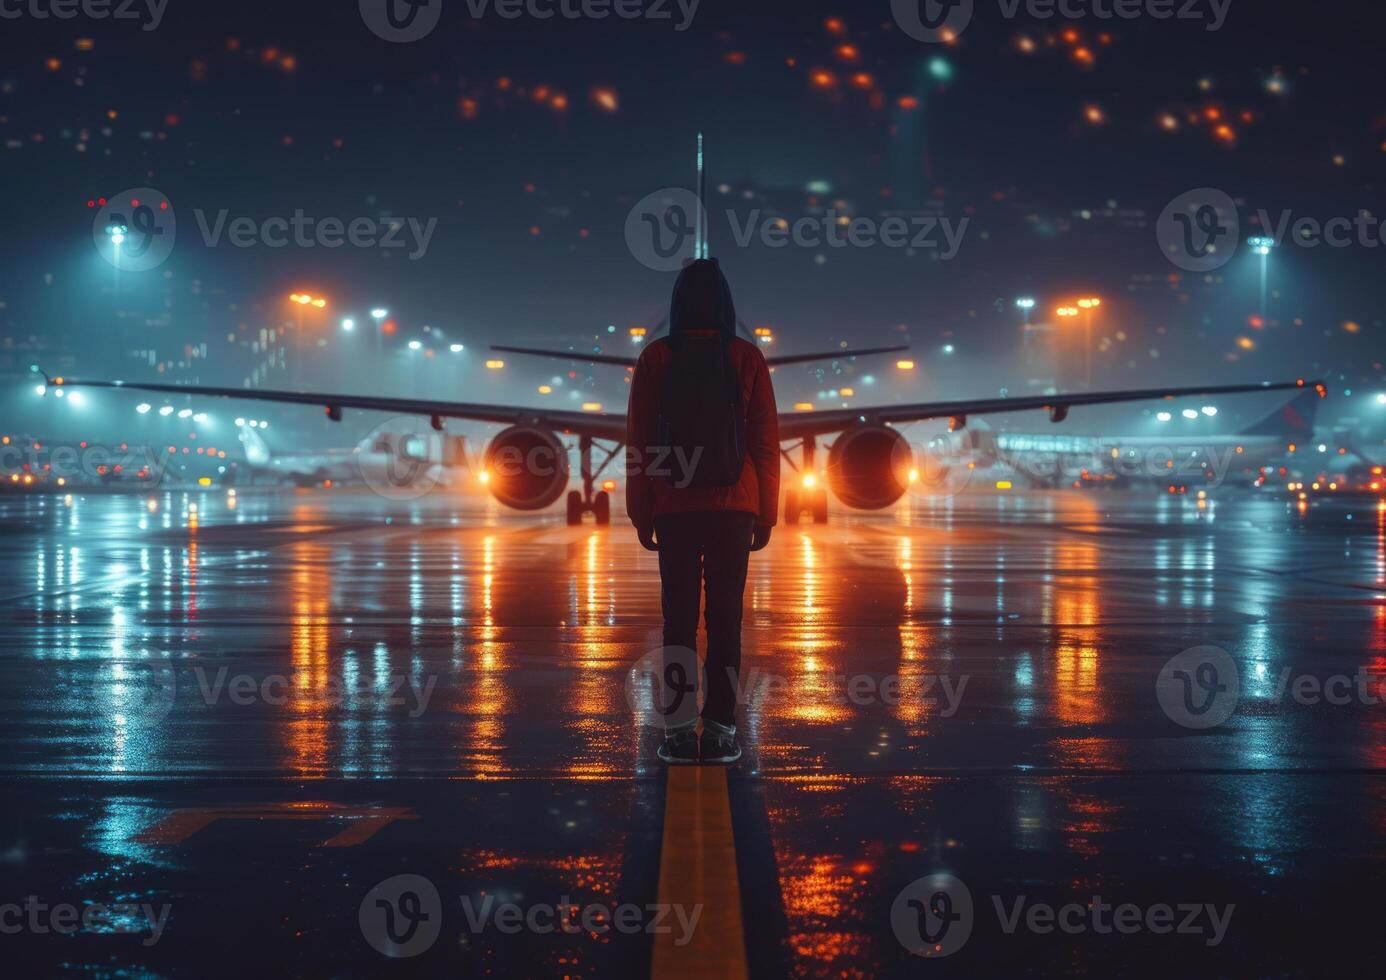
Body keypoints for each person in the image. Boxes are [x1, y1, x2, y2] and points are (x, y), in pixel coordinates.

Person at [626, 258, 780, 765]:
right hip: (734, 510)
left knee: (677, 622)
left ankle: (674, 730)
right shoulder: (746, 357)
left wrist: (640, 511)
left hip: (674, 507)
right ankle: (719, 730)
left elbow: (641, 441)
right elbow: (764, 443)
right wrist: (766, 514)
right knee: (726, 621)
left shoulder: (654, 359)